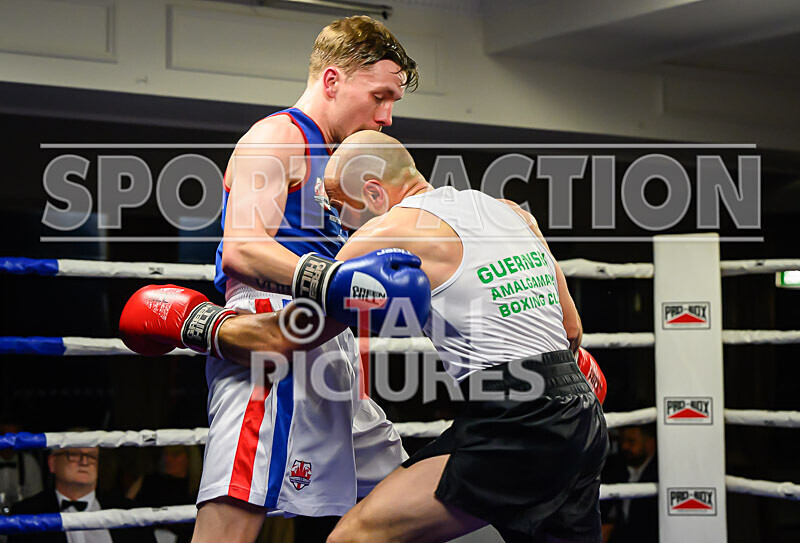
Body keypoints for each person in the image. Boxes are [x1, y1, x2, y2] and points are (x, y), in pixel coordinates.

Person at [121, 131, 609, 542]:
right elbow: (571, 331)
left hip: (515, 423)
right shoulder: (509, 211)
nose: (336, 222)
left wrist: (200, 325)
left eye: (338, 206)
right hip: (582, 418)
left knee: (353, 536)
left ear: (374, 192)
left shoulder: (384, 234)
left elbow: (289, 338)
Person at [122, 15, 420, 543]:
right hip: (269, 339)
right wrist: (337, 282)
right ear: (332, 81)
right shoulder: (277, 135)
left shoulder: (340, 162)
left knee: (413, 510)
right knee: (233, 523)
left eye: (393, 100)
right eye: (379, 96)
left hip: (327, 342)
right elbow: (242, 246)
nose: (387, 116)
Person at [9, 447, 156, 543]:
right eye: (74, 455)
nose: (85, 461)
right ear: (52, 463)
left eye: (92, 456)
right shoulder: (26, 515)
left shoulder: (132, 515)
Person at [601, 426, 658, 543]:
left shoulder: (660, 474)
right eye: (622, 441)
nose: (625, 446)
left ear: (650, 443)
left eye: (631, 442)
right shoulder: (614, 468)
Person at [0, 423, 43, 516]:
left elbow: (37, 497)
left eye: (13, 438)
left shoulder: (29, 462)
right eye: (5, 436)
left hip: (22, 518)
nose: (8, 443)